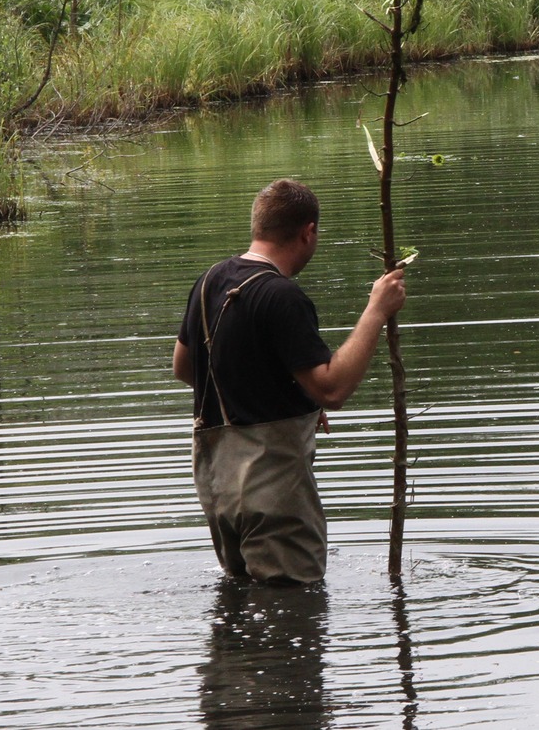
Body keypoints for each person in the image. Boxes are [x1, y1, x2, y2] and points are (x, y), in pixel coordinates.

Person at [173, 178, 407, 585]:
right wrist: (376, 310)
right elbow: (331, 389)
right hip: (271, 487)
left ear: (258, 226)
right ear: (308, 231)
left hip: (217, 483)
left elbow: (184, 368)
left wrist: (283, 399)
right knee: (290, 606)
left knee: (240, 604)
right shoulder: (281, 295)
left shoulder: (210, 280)